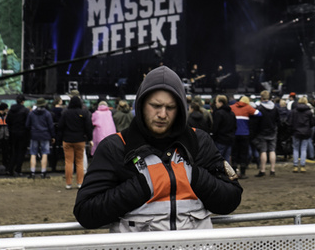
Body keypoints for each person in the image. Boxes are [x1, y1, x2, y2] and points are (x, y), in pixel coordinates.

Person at [73, 66, 243, 232]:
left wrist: (194, 177)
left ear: (180, 109)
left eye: (170, 107)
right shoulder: (115, 146)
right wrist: (142, 186)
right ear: (141, 105)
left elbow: (231, 199)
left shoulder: (199, 141)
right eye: (155, 106)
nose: (162, 114)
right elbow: (86, 212)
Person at [58, 95, 93, 190]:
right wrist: (90, 138)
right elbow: (88, 127)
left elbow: (60, 126)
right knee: (79, 162)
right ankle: (80, 183)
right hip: (80, 140)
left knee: (68, 162)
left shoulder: (65, 113)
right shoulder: (84, 112)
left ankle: (68, 183)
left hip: (67, 140)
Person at [230, 95, 260, 179]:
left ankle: (234, 172)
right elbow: (259, 114)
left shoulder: (232, 107)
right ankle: (242, 173)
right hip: (245, 134)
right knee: (244, 153)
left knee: (234, 153)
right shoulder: (248, 108)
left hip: (234, 133)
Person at [26, 98, 55, 178]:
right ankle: (43, 172)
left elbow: (27, 125)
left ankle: (32, 172)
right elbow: (51, 126)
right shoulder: (47, 113)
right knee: (45, 153)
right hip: (45, 135)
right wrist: (52, 136)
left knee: (33, 153)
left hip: (34, 135)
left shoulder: (31, 113)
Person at [253, 90, 279, 177]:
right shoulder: (275, 107)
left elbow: (256, 121)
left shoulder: (260, 108)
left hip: (262, 132)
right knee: (272, 150)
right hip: (272, 131)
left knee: (263, 151)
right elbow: (277, 120)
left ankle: (263, 170)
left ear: (261, 97)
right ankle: (272, 169)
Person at [289, 95, 314, 173]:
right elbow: (312, 123)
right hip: (306, 132)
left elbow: (290, 122)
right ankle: (303, 166)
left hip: (296, 132)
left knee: (296, 149)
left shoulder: (294, 111)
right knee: (303, 149)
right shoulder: (309, 112)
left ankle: (295, 166)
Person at [6, 94, 29, 176]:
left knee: (13, 151)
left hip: (12, 133)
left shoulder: (11, 110)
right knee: (21, 152)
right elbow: (28, 123)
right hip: (23, 134)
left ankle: (10, 169)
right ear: (23, 101)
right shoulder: (25, 110)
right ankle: (18, 169)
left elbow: (7, 121)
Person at [210, 94, 236, 162]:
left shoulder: (218, 113)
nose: (216, 104)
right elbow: (235, 127)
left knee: (218, 159)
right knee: (227, 159)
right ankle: (227, 172)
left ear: (221, 103)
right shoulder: (232, 113)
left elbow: (215, 128)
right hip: (229, 139)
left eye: (216, 102)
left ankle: (219, 172)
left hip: (220, 140)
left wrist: (213, 136)